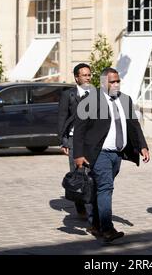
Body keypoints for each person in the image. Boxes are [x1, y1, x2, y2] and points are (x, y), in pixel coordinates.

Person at [73, 67, 150, 243]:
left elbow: (133, 125)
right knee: (106, 188)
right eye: (112, 81)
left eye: (117, 81)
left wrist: (142, 146)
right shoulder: (90, 101)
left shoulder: (125, 100)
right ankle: (107, 229)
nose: (116, 84)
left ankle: (95, 224)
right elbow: (79, 130)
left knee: (101, 189)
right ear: (103, 82)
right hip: (99, 153)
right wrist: (78, 154)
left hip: (118, 154)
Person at [58, 63, 92, 219]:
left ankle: (92, 202)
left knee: (91, 172)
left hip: (91, 140)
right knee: (77, 173)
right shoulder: (68, 95)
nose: (87, 77)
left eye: (89, 75)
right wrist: (63, 141)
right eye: (84, 75)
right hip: (73, 139)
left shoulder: (96, 93)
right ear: (76, 77)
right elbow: (62, 118)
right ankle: (81, 208)